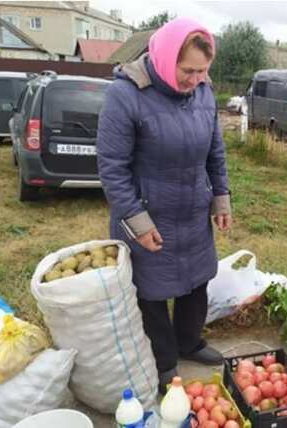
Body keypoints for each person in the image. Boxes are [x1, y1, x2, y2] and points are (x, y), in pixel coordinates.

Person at [96, 17, 232, 395]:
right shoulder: (125, 95)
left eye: (203, 71)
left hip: (192, 211)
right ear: (164, 57)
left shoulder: (204, 92)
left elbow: (215, 153)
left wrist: (220, 198)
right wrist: (137, 221)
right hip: (148, 213)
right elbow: (112, 167)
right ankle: (163, 361)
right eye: (188, 70)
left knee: (197, 281)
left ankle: (190, 342)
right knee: (151, 293)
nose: (195, 79)